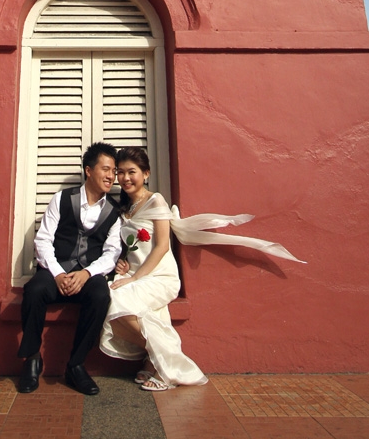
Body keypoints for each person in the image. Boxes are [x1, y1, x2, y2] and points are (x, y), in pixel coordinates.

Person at [100, 147, 304, 391]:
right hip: (134, 274)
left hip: (159, 276)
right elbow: (134, 247)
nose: (125, 178)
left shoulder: (156, 200)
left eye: (131, 172)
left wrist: (136, 278)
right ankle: (158, 356)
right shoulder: (125, 209)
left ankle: (166, 362)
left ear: (146, 173)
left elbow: (162, 246)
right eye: (120, 172)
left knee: (117, 301)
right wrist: (124, 263)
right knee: (107, 303)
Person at [17, 142, 121, 396]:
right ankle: (32, 358)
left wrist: (86, 274)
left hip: (88, 275)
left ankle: (76, 365)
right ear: (89, 170)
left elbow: (111, 253)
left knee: (100, 295)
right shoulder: (62, 199)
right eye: (106, 169)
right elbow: (43, 240)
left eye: (114, 171)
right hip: (57, 271)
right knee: (34, 290)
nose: (111, 176)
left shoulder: (114, 212)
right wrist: (58, 274)